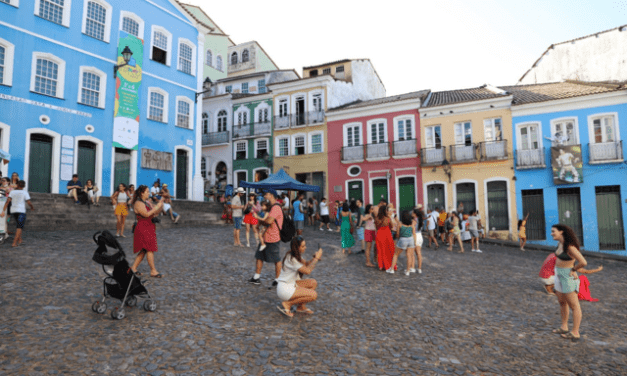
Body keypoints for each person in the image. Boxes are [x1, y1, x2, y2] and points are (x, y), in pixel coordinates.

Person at [550, 224, 588, 341]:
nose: (551, 234)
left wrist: (573, 269)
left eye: (553, 231)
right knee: (562, 302)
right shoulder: (560, 243)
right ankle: (564, 327)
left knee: (574, 305)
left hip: (567, 276)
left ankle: (575, 332)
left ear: (561, 232)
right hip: (558, 274)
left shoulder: (570, 247)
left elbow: (583, 262)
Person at [276, 237, 323, 317]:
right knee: (313, 295)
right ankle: (287, 304)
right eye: (303, 246)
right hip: (285, 289)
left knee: (313, 282)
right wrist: (316, 258)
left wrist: (314, 259)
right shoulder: (291, 259)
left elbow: (306, 264)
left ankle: (301, 307)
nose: (305, 247)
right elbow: (308, 271)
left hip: (291, 284)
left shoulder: (295, 255)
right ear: (297, 247)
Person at [249, 189, 284, 287]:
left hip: (273, 237)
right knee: (259, 256)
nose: (264, 196)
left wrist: (259, 220)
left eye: (266, 194)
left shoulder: (276, 208)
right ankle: (256, 277)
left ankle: (278, 279)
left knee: (276, 259)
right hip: (265, 237)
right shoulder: (272, 207)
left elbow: (269, 221)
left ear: (272, 195)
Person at [130, 185, 163, 278]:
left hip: (149, 227)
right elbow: (146, 214)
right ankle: (153, 271)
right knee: (149, 249)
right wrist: (157, 207)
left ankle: (133, 268)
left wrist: (160, 206)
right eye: (147, 191)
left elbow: (155, 212)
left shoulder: (147, 202)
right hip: (143, 228)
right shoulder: (138, 203)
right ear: (142, 193)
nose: (149, 193)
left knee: (144, 250)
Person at [1, 180, 34, 247]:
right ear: (24, 186)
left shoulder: (12, 192)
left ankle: (20, 240)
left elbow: (7, 202)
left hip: (13, 210)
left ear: (17, 185)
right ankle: (14, 242)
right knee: (19, 227)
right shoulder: (24, 192)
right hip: (21, 211)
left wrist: (3, 211)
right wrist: (32, 207)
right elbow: (29, 202)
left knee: (19, 225)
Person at [389, 211, 416, 276]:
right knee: (409, 256)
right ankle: (408, 271)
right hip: (410, 239)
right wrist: (414, 242)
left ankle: (392, 269)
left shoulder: (400, 224)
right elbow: (414, 234)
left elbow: (397, 234)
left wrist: (398, 238)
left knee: (396, 254)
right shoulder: (412, 225)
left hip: (403, 239)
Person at [374, 204, 395, 271]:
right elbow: (391, 226)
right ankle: (388, 265)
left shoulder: (376, 218)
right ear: (384, 211)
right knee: (388, 250)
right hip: (387, 234)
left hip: (379, 234)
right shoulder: (387, 218)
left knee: (380, 250)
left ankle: (380, 266)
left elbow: (377, 227)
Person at [410, 207, 424, 274]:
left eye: (412, 213)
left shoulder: (414, 220)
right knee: (419, 253)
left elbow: (412, 228)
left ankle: (412, 267)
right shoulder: (420, 219)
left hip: (415, 235)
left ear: (415, 214)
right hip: (420, 236)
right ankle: (419, 268)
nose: (411, 213)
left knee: (412, 253)